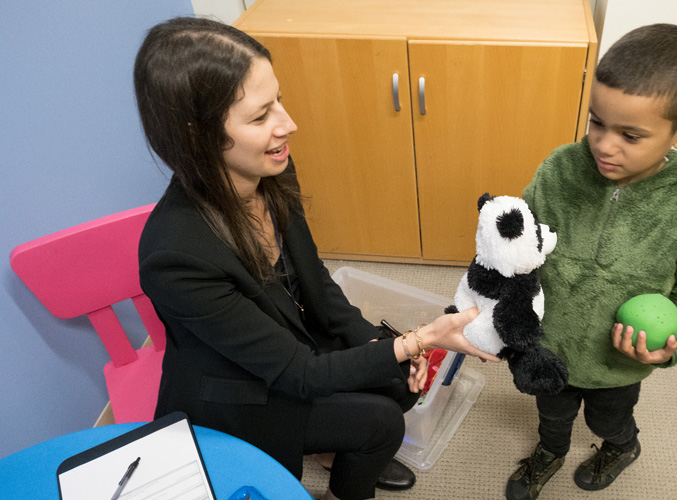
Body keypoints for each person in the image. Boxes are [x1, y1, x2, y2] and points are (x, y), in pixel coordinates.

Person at [133, 17, 498, 500]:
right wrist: (417, 341)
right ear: (197, 135)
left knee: (402, 386)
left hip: (291, 341)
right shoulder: (174, 255)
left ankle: (341, 449)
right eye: (261, 117)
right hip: (239, 390)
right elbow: (297, 373)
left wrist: (384, 344)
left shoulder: (270, 169)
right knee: (383, 421)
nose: (288, 124)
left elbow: (318, 288)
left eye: (278, 101)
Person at [505, 24, 677, 500]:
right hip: (551, 347)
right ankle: (550, 451)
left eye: (630, 134)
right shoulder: (561, 169)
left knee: (611, 418)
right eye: (596, 122)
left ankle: (623, 447)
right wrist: (502, 310)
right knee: (552, 414)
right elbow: (520, 247)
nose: (604, 145)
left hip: (619, 365)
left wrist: (670, 345)